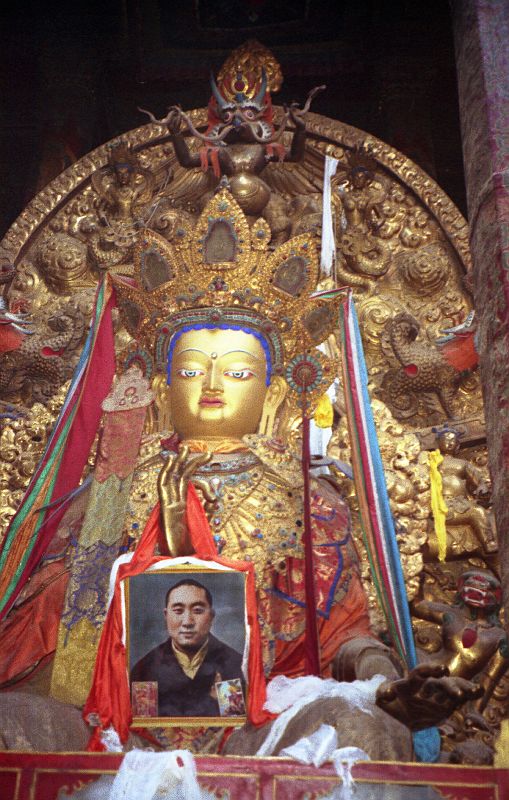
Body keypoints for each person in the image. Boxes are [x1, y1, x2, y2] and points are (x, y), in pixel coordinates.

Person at [130, 579, 243, 717]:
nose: (188, 622)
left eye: (197, 611)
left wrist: (219, 702)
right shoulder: (145, 670)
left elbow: (234, 728)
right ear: (166, 615)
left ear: (211, 616)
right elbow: (145, 728)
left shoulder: (234, 666)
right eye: (178, 611)